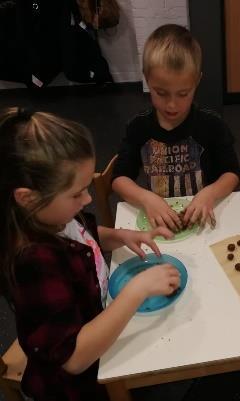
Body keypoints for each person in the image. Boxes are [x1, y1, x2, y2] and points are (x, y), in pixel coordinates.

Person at [0, 107, 181, 401]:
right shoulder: (32, 263)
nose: (87, 200)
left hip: (97, 324)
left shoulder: (54, 215)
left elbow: (87, 236)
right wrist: (137, 291)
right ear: (27, 198)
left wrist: (124, 236)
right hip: (76, 384)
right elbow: (73, 358)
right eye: (76, 194)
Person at [112, 24, 240, 231]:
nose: (172, 105)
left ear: (197, 81)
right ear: (147, 78)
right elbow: (119, 178)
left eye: (183, 94)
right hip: (158, 219)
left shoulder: (212, 124)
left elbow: (231, 173)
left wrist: (209, 193)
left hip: (202, 217)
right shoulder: (139, 127)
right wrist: (146, 198)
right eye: (161, 93)